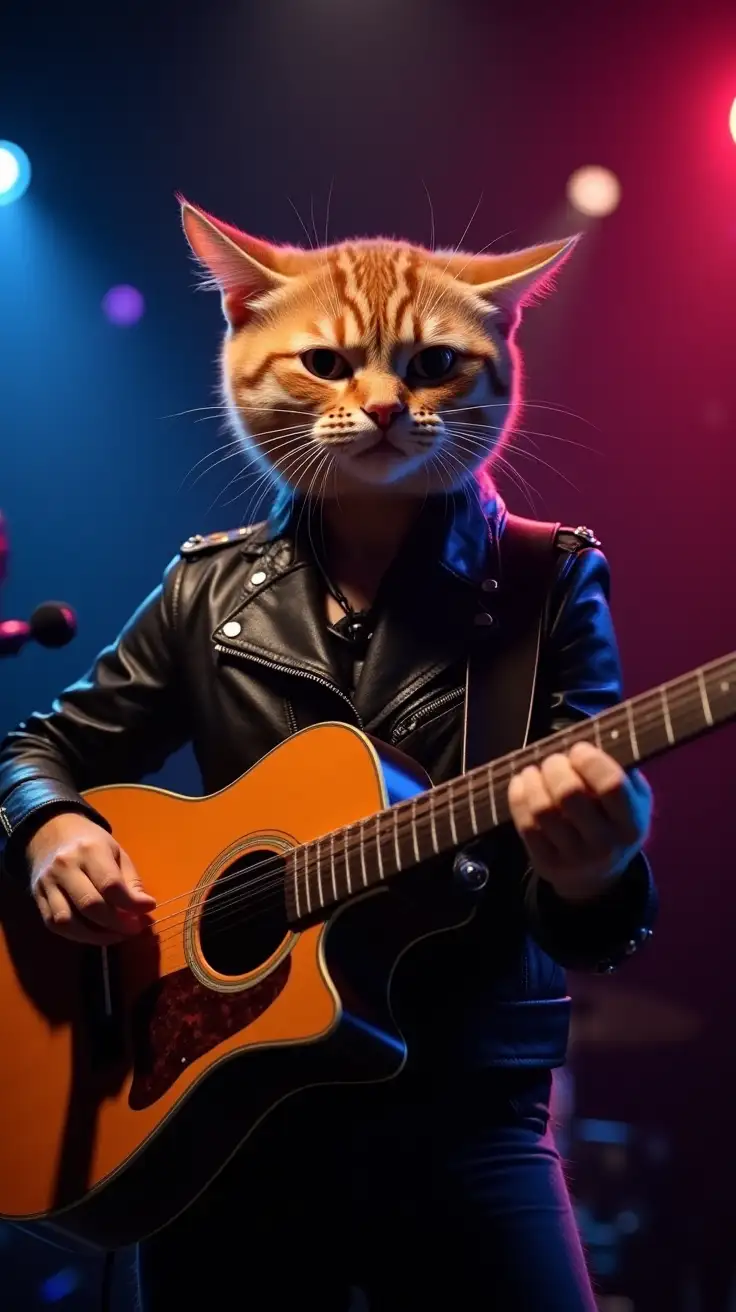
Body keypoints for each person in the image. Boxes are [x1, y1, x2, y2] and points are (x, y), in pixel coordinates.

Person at [0, 203, 656, 1310]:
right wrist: (52, 825)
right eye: (329, 362)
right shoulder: (208, 587)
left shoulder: (548, 581)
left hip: (463, 1118)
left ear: (503, 355)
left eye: (434, 366)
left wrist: (593, 872)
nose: (387, 403)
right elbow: (40, 749)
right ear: (241, 328)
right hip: (220, 1124)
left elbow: (590, 924)